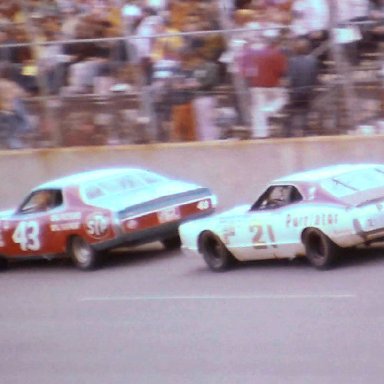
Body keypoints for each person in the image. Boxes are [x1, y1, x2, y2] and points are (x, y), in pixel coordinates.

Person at [241, 29, 287, 138]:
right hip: (272, 85)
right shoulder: (277, 54)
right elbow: (281, 71)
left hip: (256, 84)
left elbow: (247, 71)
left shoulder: (255, 54)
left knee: (257, 110)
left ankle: (260, 134)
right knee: (283, 99)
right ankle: (269, 110)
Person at [284, 38, 319, 137]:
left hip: (295, 93)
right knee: (305, 112)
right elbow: (315, 76)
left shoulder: (292, 61)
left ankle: (290, 131)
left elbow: (291, 79)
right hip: (308, 92)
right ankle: (303, 129)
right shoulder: (313, 61)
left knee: (291, 113)